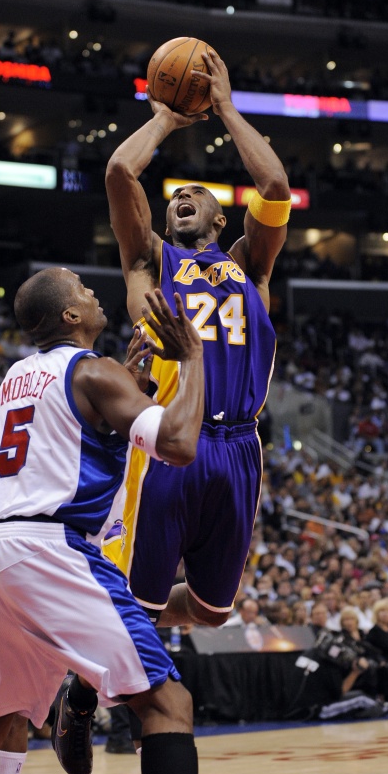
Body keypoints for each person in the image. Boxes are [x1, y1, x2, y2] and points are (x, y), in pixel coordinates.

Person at [0, 266, 204, 774]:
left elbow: (72, 433)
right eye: (83, 290)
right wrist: (193, 358)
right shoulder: (93, 371)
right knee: (167, 703)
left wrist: (123, 386)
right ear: (70, 315)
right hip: (46, 547)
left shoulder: (14, 377)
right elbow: (178, 445)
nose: (93, 293)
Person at [103, 47, 291, 629]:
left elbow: (275, 184)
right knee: (135, 600)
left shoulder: (250, 268)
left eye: (195, 195)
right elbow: (120, 172)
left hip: (240, 446)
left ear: (221, 220)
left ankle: (108, 619)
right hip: (171, 439)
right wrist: (166, 118)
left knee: (211, 612)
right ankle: (95, 662)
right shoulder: (151, 262)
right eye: (174, 198)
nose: (182, 197)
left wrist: (226, 108)